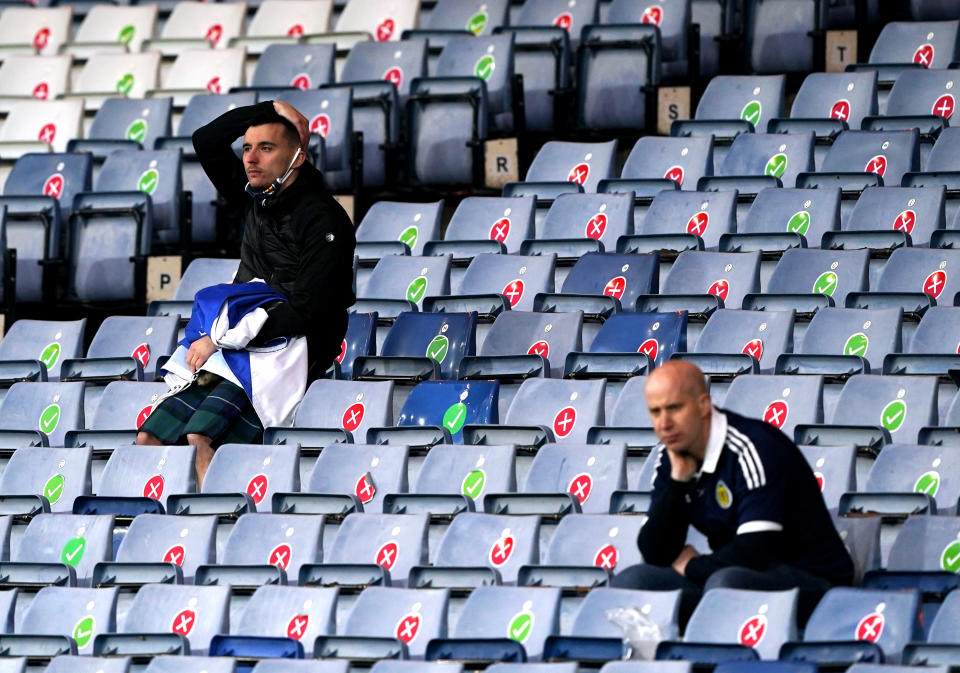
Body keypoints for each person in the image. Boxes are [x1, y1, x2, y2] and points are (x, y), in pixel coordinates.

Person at [136, 100, 355, 485]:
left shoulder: (325, 218)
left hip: (289, 347)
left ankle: (209, 528)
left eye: (266, 148)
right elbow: (205, 140)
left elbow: (308, 311)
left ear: (297, 157)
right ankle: (150, 524)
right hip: (235, 341)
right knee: (149, 436)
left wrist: (221, 340)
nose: (251, 158)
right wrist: (269, 107)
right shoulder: (254, 196)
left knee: (201, 436)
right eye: (247, 148)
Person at [612, 360, 854, 625]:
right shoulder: (671, 454)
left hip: (811, 578)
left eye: (674, 408)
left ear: (704, 405)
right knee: (632, 582)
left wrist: (693, 566)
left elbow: (756, 549)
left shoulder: (753, 447)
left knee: (725, 584)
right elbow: (655, 552)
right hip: (733, 577)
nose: (664, 423)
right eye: (655, 412)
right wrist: (678, 482)